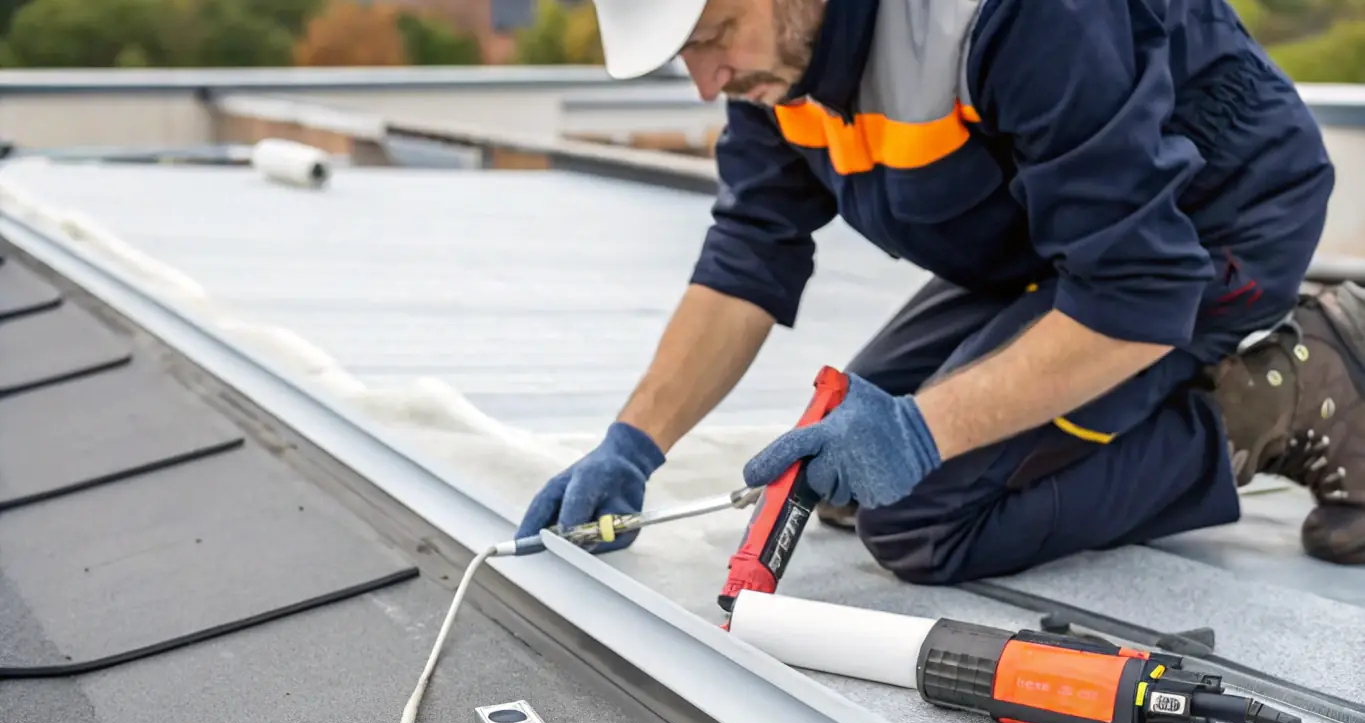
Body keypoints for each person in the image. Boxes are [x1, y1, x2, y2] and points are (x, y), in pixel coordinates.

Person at [516, 0, 1365, 582]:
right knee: (837, 467)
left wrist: (925, 432)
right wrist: (633, 443)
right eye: (684, 55)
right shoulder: (779, 59)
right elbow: (748, 251)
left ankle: (1284, 395)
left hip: (1203, 232)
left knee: (920, 518)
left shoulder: (1007, 14)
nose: (706, 81)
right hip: (1058, 248)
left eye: (713, 33)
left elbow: (1137, 287)